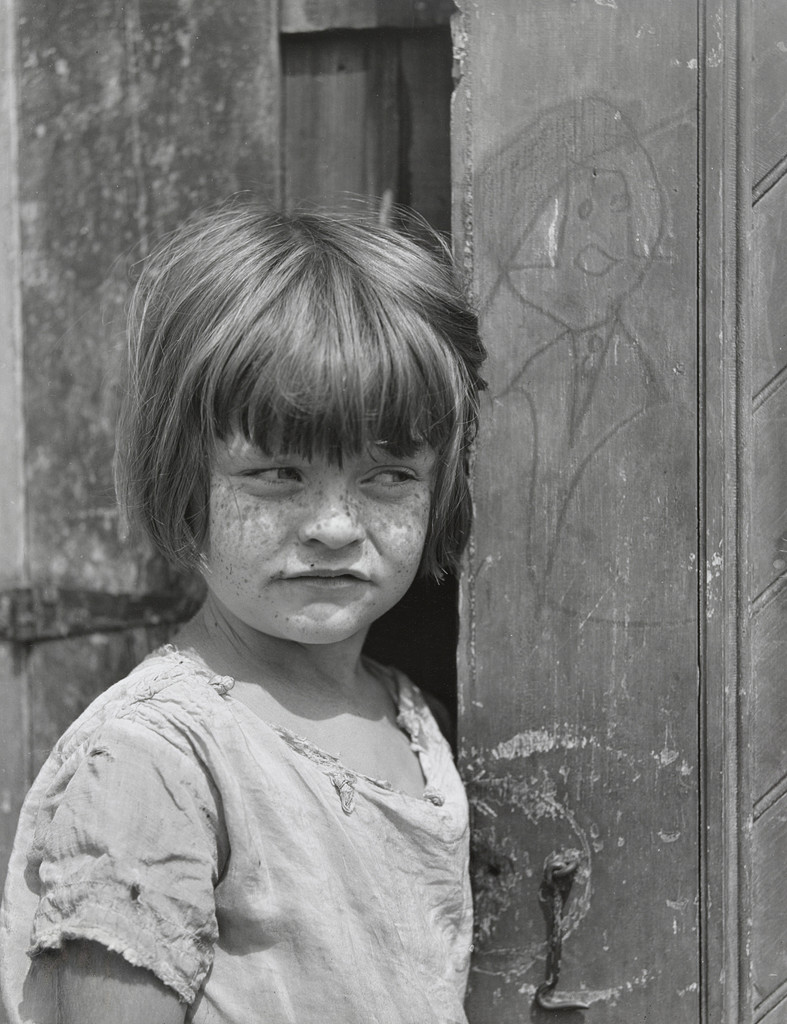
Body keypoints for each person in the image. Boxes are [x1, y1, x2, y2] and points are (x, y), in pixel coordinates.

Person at [0, 201, 486, 1024]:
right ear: (184, 481)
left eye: (388, 476)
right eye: (278, 474)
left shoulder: (407, 719)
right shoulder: (155, 762)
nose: (334, 524)